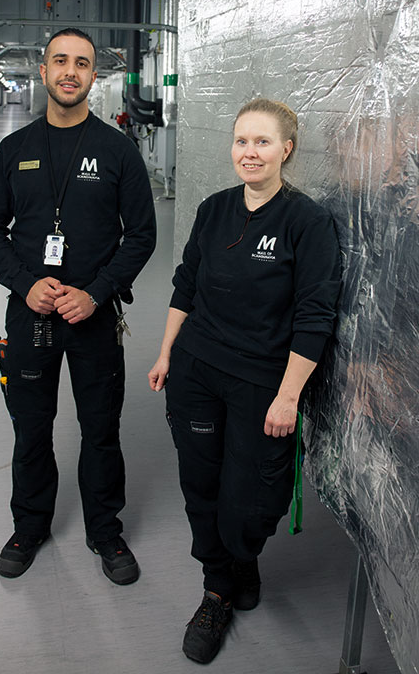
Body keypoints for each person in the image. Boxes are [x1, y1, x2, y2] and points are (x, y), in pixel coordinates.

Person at [148, 98, 341, 664]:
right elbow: (186, 285)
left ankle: (242, 556)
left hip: (262, 383)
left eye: (262, 142)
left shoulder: (307, 222)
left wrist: (289, 396)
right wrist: (166, 353)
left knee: (252, 498)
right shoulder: (213, 210)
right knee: (201, 483)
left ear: (286, 149)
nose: (249, 152)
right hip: (197, 370)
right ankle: (217, 588)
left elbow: (315, 315)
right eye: (241, 141)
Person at [0, 28, 156, 586]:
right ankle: (29, 526)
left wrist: (97, 292)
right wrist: (24, 284)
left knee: (101, 429)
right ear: (44, 70)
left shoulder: (117, 150)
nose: (70, 72)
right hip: (30, 314)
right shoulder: (14, 150)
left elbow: (141, 235)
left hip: (93, 316)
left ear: (93, 76)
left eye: (81, 63)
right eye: (60, 61)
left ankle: (105, 530)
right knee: (31, 428)